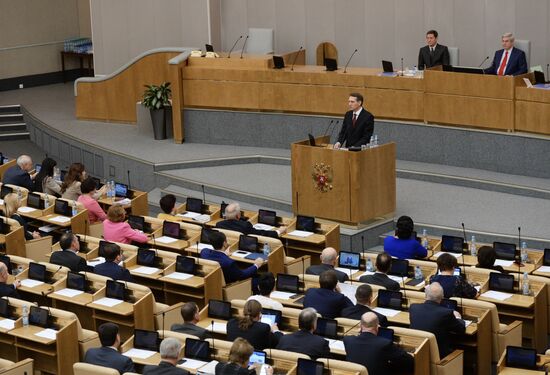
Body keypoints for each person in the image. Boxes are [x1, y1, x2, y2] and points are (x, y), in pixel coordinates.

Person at [344, 312, 414, 375]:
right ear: (377, 326)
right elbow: (409, 360)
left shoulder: (348, 340)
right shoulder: (385, 343)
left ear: (360, 325)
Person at [409, 282, 466, 358]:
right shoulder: (446, 313)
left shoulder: (413, 307)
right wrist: (458, 317)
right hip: (439, 355)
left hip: (417, 350)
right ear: (442, 297)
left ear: (425, 295)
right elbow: (461, 329)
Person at [216, 203, 285, 239]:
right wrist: (278, 231)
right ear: (238, 215)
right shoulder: (245, 225)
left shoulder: (219, 225)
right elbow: (260, 233)